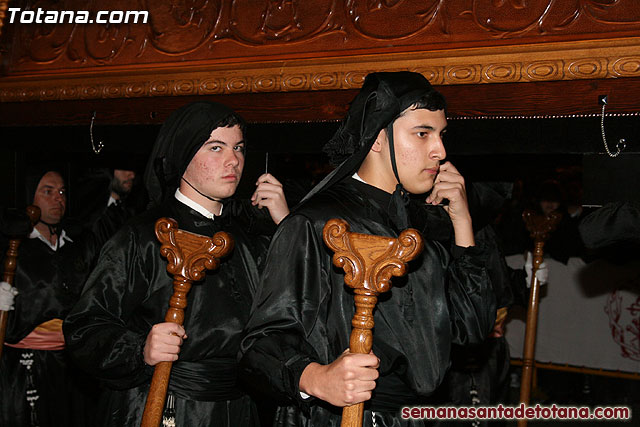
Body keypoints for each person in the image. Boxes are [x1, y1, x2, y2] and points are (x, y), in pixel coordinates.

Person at [239, 71, 497, 426]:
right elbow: (260, 345)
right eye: (422, 134)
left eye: (440, 135)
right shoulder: (318, 223)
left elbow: (471, 329)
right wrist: (316, 378)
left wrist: (462, 222)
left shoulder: (421, 227)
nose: (440, 151)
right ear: (378, 138)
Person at [63, 101, 289, 426]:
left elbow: (293, 315)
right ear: (184, 154)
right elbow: (85, 327)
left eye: (238, 147)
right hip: (163, 403)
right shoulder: (143, 236)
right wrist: (140, 348)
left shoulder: (251, 236)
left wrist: (286, 227)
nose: (234, 160)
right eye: (216, 147)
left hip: (237, 409)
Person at [0, 166, 123, 427]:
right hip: (25, 367)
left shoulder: (75, 246)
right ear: (29, 197)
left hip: (71, 365)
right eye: (48, 191)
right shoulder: (11, 247)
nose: (58, 198)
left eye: (62, 192)